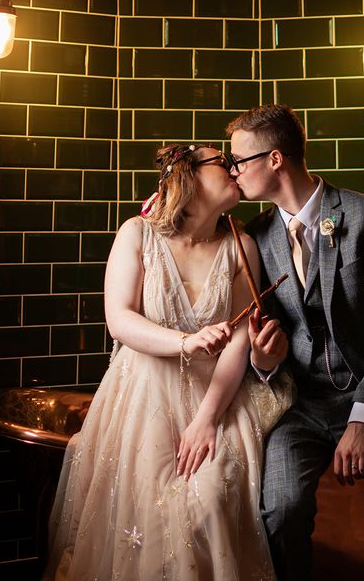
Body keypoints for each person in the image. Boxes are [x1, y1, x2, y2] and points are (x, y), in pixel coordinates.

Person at [42, 143, 279, 581]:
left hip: (217, 398)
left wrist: (207, 418)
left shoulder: (241, 246)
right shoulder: (138, 233)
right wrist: (186, 341)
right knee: (145, 518)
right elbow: (119, 320)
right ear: (187, 175)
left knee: (209, 497)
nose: (232, 168)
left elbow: (240, 340)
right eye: (221, 162)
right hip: (142, 395)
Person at [226, 104, 364, 581]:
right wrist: (262, 362)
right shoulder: (255, 236)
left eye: (239, 160)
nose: (233, 171)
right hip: (298, 406)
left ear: (274, 159)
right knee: (279, 510)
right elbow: (265, 343)